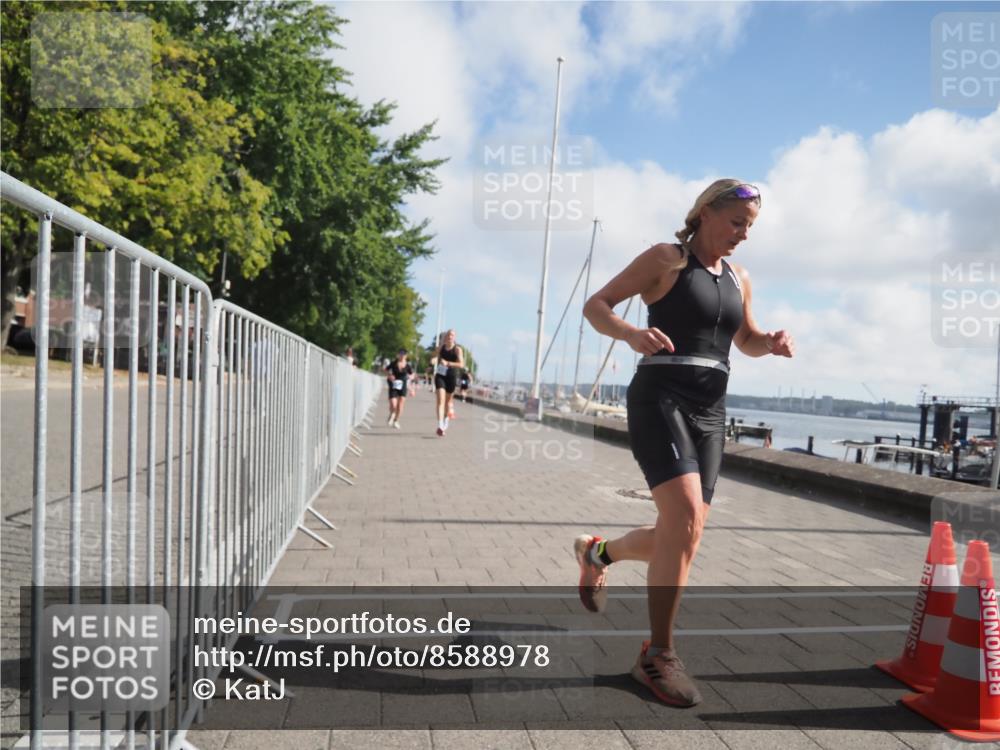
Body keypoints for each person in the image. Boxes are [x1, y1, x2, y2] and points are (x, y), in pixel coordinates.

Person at [574, 179, 794, 706]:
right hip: (661, 398)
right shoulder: (666, 260)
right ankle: (657, 655)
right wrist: (630, 334)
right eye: (737, 222)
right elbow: (596, 304)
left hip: (711, 411)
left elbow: (745, 340)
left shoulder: (739, 277)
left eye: (750, 226)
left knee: (683, 534)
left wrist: (771, 343)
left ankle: (598, 553)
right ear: (705, 213)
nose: (743, 234)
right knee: (687, 519)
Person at [431, 330, 464, 436]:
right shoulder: (440, 348)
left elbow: (461, 364)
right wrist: (433, 360)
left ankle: (445, 420)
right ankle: (440, 425)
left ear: (454, 338)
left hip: (451, 377)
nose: (450, 336)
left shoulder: (457, 349)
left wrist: (448, 363)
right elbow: (434, 357)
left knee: (448, 403)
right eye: (448, 335)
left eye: (452, 335)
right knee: (440, 400)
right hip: (440, 376)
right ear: (445, 337)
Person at [384, 349, 413, 429]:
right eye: (400, 354)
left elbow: (412, 374)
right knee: (393, 404)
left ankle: (396, 420)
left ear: (406, 356)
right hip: (393, 384)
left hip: (403, 385)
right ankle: (392, 414)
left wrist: (410, 378)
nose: (402, 355)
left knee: (400, 405)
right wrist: (390, 375)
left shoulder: (408, 365)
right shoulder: (393, 363)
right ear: (398, 355)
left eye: (404, 354)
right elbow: (385, 370)